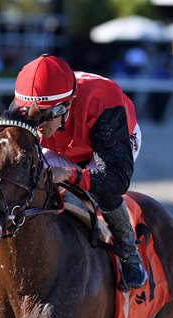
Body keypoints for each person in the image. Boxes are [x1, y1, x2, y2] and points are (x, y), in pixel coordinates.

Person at [12, 54, 147, 292]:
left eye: (46, 115)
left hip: (107, 142)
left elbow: (116, 180)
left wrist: (72, 175)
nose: (38, 125)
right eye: (30, 115)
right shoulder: (25, 106)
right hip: (63, 143)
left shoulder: (102, 105)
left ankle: (129, 252)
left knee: (102, 192)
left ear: (68, 104)